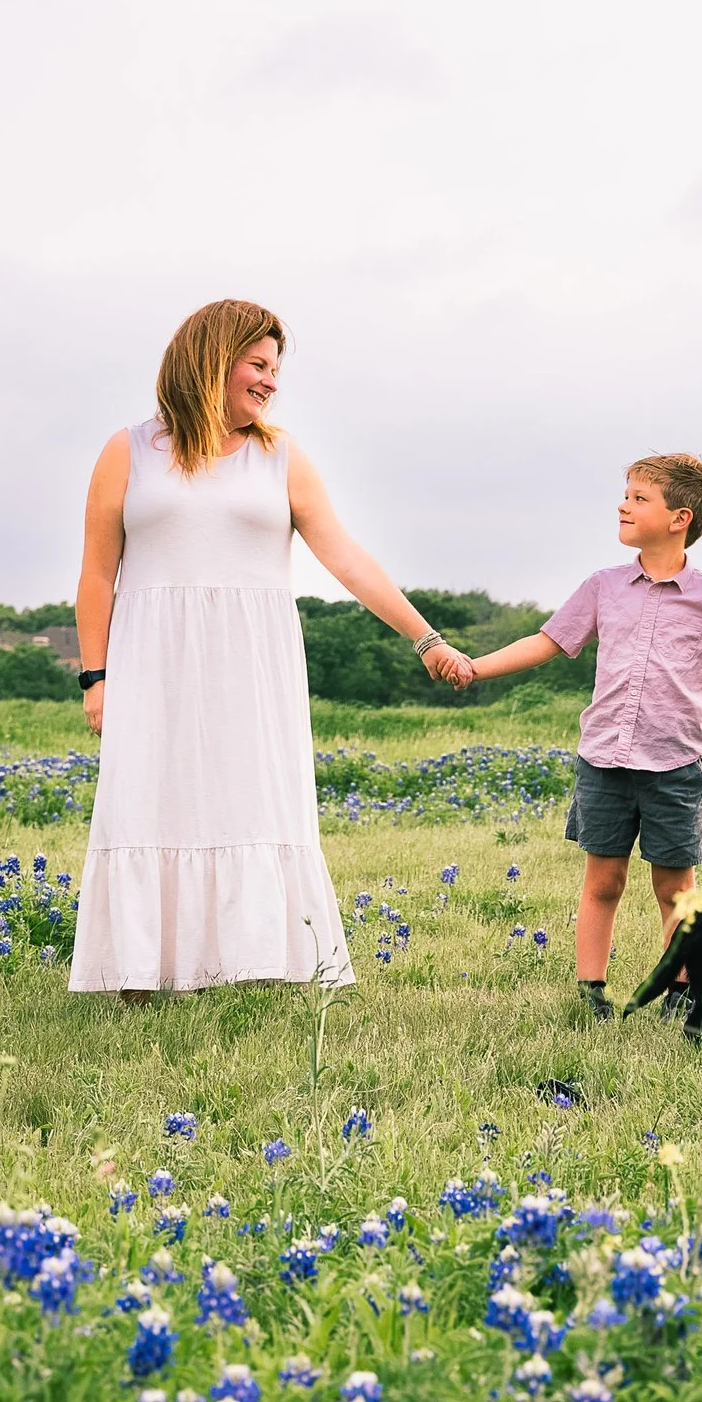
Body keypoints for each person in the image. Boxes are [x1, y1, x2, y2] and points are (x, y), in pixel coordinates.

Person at [70, 299, 469, 995]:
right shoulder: (127, 449)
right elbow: (97, 572)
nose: (270, 382)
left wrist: (425, 638)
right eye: (257, 365)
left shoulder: (280, 456)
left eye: (275, 369)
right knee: (151, 798)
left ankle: (251, 966)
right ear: (211, 361)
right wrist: (95, 678)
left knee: (248, 799)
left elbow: (346, 559)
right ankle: (142, 970)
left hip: (251, 662)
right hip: (153, 659)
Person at [462, 453, 702, 1021]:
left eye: (640, 498)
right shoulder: (603, 586)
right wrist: (475, 666)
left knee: (675, 888)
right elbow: (547, 641)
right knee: (604, 879)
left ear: (679, 517)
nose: (624, 504)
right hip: (604, 760)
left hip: (673, 765)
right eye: (627, 494)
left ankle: (682, 985)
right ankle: (591, 992)